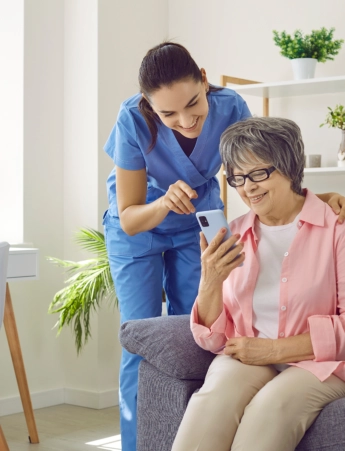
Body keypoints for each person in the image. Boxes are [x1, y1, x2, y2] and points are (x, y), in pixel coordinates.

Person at [102, 42, 345, 451]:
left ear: (204, 77)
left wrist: (312, 201)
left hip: (201, 218)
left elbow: (262, 156)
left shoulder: (231, 106)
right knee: (143, 336)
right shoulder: (131, 119)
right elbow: (129, 216)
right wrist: (165, 206)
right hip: (142, 223)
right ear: (149, 105)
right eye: (168, 114)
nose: (186, 120)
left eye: (194, 103)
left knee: (207, 332)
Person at [172, 117, 345, 451]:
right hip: (247, 356)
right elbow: (212, 340)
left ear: (290, 167)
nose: (247, 187)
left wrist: (274, 350)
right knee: (211, 401)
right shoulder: (233, 234)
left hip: (320, 363)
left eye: (258, 173)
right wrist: (211, 281)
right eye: (237, 177)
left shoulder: (336, 227)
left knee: (269, 410)